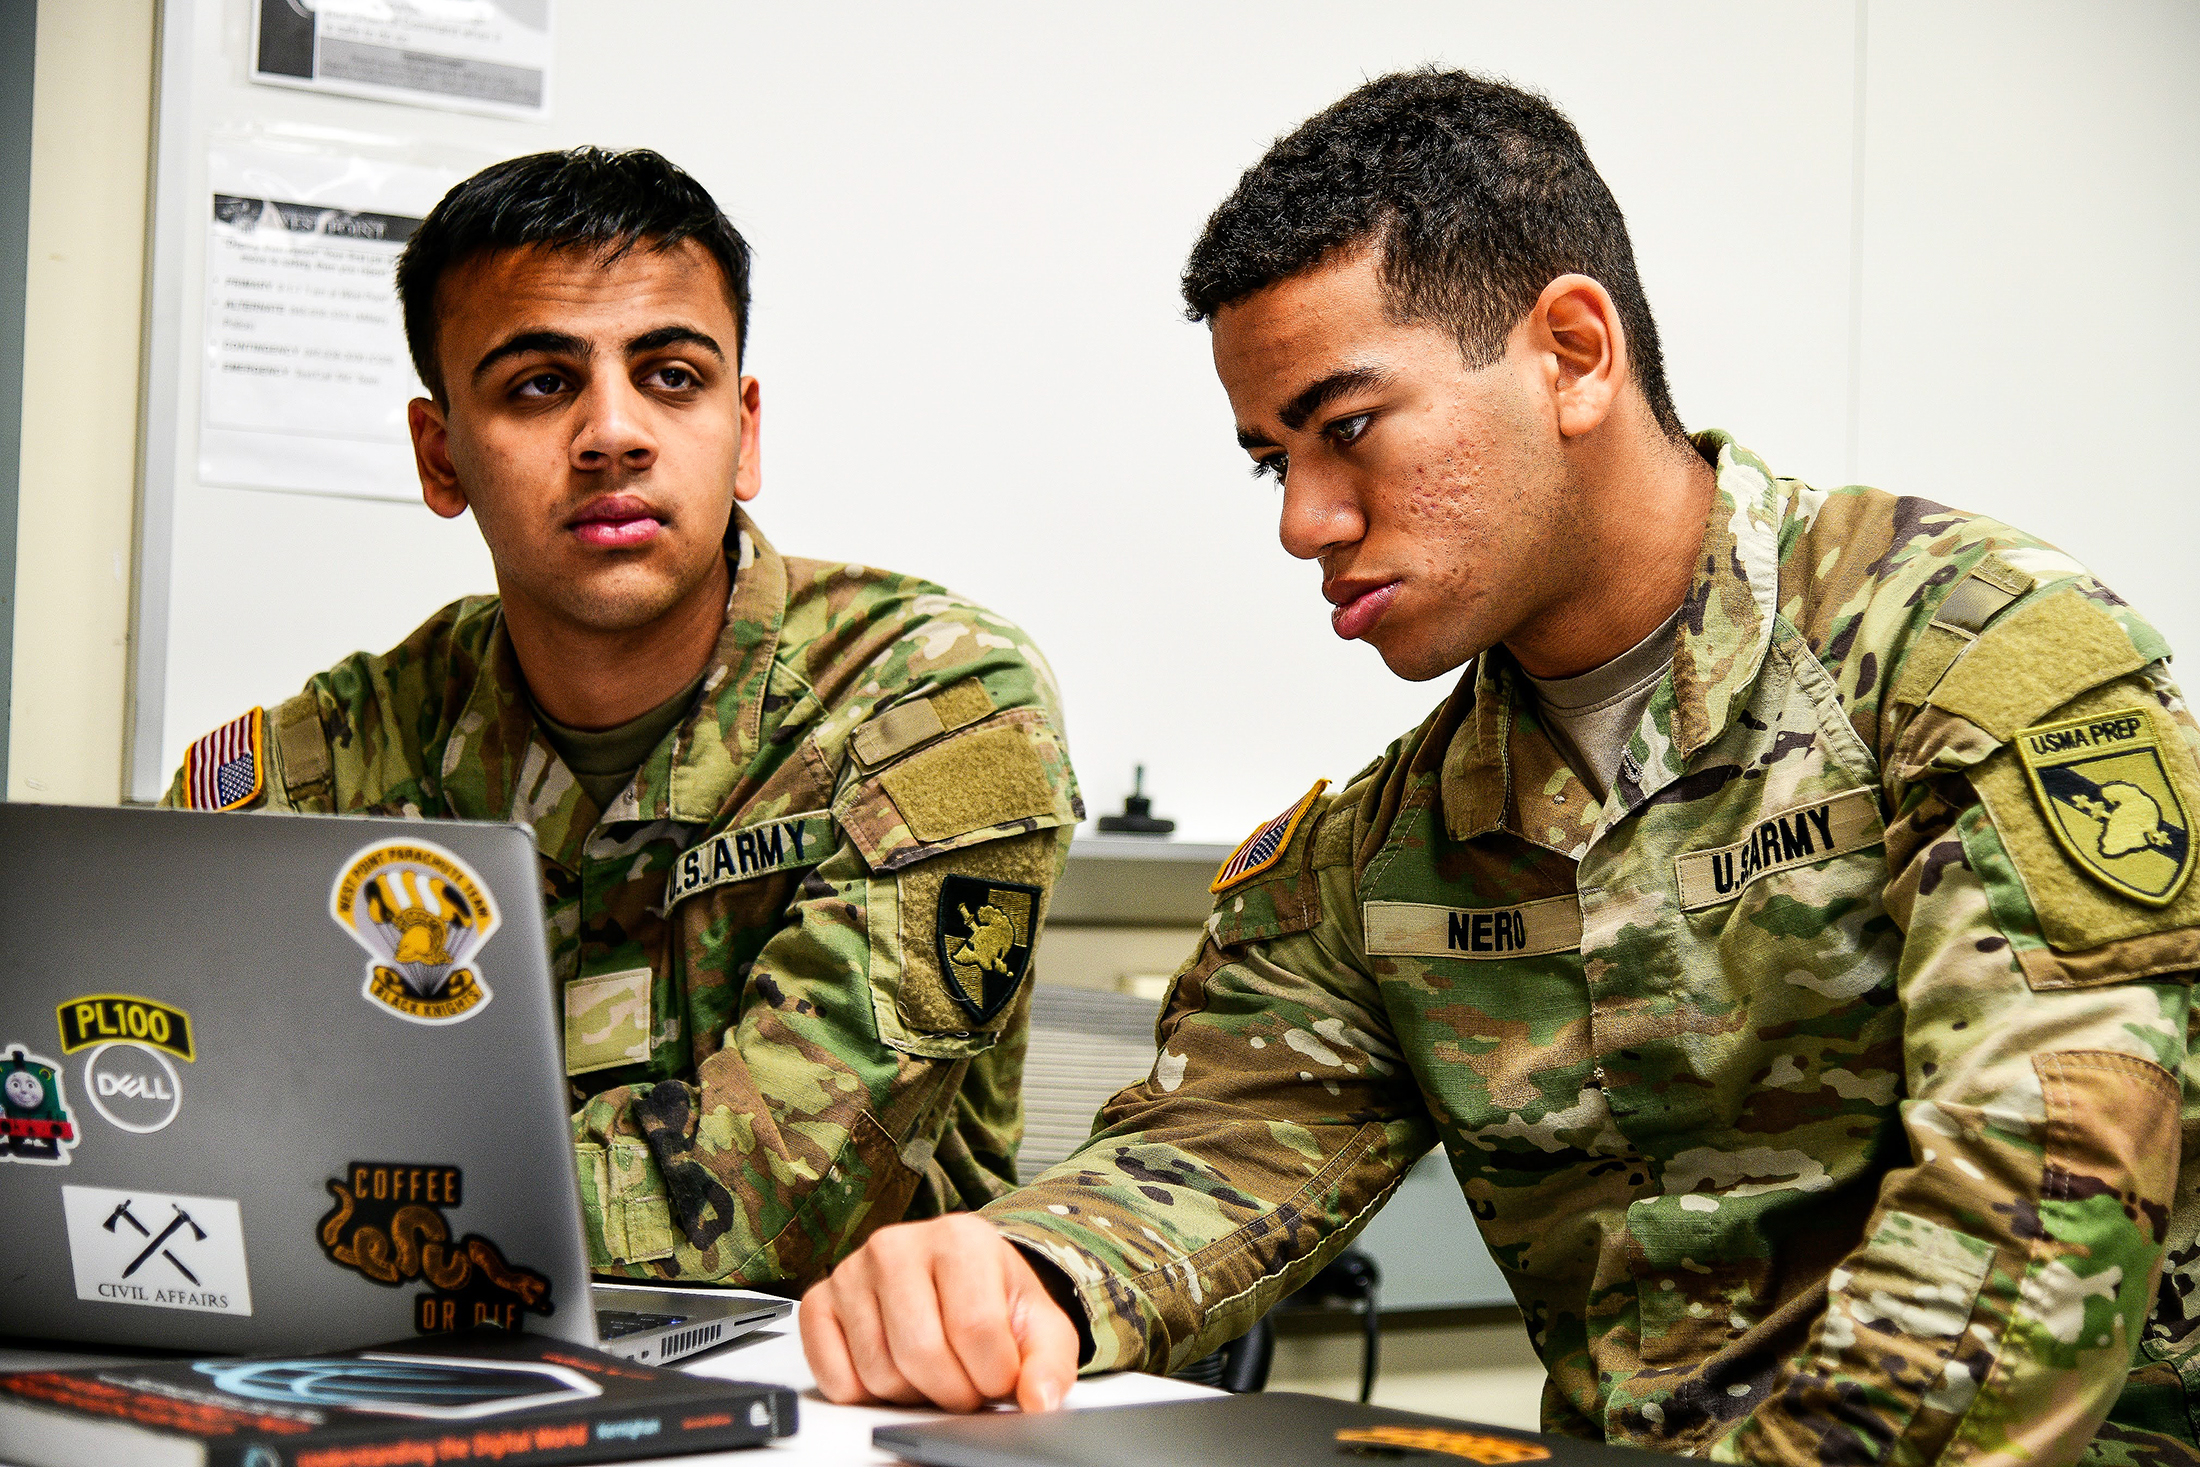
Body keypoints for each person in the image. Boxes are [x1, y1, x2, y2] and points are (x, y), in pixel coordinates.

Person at [800, 70, 2200, 1465]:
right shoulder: (1383, 854)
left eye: (1346, 427)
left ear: (1575, 353)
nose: (1300, 521)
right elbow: (1213, 1155)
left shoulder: (1964, 656)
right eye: (1266, 459)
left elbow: (2034, 1199)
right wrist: (1012, 1278)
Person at [164, 148, 1082, 1289]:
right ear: (441, 453)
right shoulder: (334, 757)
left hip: (827, 1398)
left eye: (673, 376)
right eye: (540, 384)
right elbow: (176, 1117)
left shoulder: (931, 701)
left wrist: (349, 1211)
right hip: (409, 1365)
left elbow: (762, 1195)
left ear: (744, 434)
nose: (614, 433)